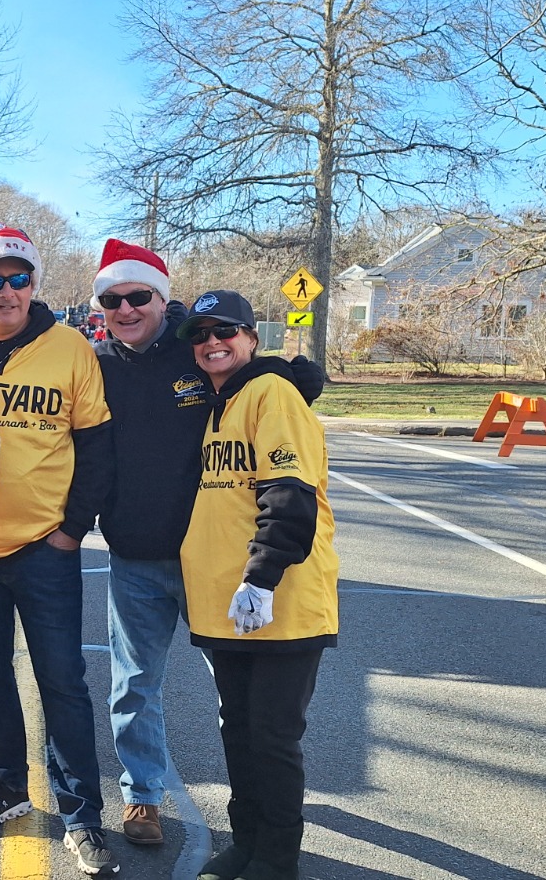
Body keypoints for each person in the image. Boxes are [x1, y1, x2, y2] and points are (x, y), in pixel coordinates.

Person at [90, 240, 324, 846]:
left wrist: (292, 373)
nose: (127, 308)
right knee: (133, 683)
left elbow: (251, 373)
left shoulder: (193, 352)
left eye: (139, 295)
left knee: (242, 699)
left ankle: (261, 806)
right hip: (135, 556)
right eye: (113, 299)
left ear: (163, 302)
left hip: (212, 559)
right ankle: (142, 797)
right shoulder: (93, 365)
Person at [0, 223, 119, 875]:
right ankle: (8, 786)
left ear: (34, 283)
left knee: (63, 682)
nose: (6, 290)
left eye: (18, 278)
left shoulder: (70, 349)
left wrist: (73, 527)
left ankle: (83, 814)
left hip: (47, 548)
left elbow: (97, 447)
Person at [173, 290, 338, 880]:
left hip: (280, 601)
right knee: (238, 732)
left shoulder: (273, 393)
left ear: (252, 337)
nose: (212, 343)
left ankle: (276, 858)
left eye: (226, 331)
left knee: (271, 738)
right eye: (200, 335)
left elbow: (289, 494)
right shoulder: (222, 400)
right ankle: (246, 843)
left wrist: (262, 577)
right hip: (226, 606)